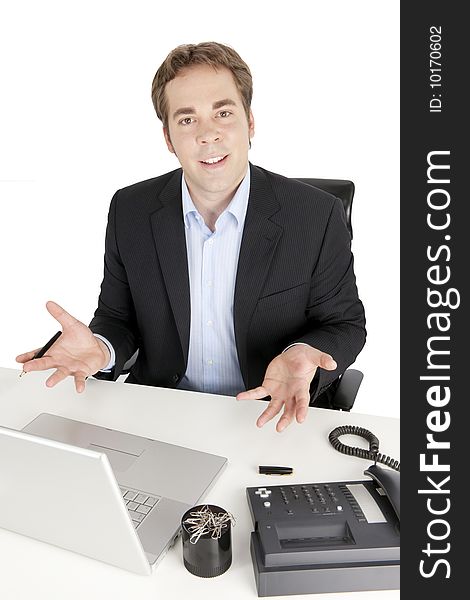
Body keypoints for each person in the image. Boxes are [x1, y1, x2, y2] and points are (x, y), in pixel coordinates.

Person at [16, 42, 366, 432]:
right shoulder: (130, 210)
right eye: (187, 120)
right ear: (168, 138)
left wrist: (302, 352)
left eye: (223, 113)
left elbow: (345, 324)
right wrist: (102, 348)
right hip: (162, 414)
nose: (208, 134)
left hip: (269, 415)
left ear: (249, 122)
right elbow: (118, 317)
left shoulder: (314, 215)